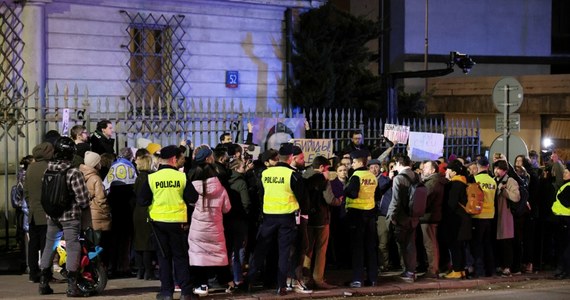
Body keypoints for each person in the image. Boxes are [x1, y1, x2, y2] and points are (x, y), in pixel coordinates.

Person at [247, 143, 305, 296]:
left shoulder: (265, 173)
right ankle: (281, 286)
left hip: (268, 216)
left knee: (260, 250)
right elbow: (302, 198)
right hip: (286, 217)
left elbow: (261, 193)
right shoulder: (293, 175)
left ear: (279, 157)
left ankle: (250, 281)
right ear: (291, 158)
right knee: (284, 252)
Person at [137, 145, 194, 300]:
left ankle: (166, 292)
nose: (183, 160)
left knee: (163, 258)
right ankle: (186, 293)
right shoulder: (181, 177)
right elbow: (193, 198)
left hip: (158, 224)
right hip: (178, 223)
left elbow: (142, 200)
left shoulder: (152, 178)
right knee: (180, 258)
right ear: (174, 159)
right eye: (181, 157)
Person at [38, 137, 90, 297]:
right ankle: (72, 286)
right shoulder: (73, 172)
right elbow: (82, 199)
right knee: (73, 246)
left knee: (50, 246)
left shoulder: (48, 170)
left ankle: (43, 283)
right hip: (70, 216)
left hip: (52, 216)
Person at [187, 145, 234, 296]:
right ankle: (227, 282)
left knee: (198, 255)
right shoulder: (220, 188)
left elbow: (189, 203)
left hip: (197, 228)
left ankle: (201, 285)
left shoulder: (192, 185)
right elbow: (227, 208)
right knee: (219, 254)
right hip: (215, 226)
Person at [302, 156, 342, 289]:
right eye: (327, 168)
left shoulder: (304, 177)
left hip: (306, 219)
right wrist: (339, 200)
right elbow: (330, 199)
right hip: (321, 219)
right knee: (320, 250)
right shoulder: (324, 180)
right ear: (321, 168)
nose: (328, 171)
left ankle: (304, 278)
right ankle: (318, 279)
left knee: (307, 249)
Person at [344, 150, 378, 287]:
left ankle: (358, 279)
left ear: (359, 162)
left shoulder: (356, 176)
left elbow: (352, 193)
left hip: (357, 215)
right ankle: (373, 278)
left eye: (353, 162)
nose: (352, 164)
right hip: (370, 214)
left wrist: (345, 190)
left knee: (358, 248)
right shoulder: (372, 176)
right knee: (370, 247)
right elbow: (378, 194)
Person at [23, 143, 53, 283]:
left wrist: (31, 205)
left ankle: (33, 273)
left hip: (33, 212)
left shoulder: (31, 167)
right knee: (46, 246)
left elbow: (26, 191)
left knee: (33, 245)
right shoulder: (49, 167)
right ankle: (45, 274)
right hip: (46, 213)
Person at [387, 154, 417, 283]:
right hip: (414, 215)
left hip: (402, 216)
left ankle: (408, 272)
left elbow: (396, 200)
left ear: (398, 164)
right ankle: (411, 271)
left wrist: (390, 215)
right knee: (411, 244)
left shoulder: (398, 178)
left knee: (403, 245)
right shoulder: (417, 176)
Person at [441, 160, 471, 279]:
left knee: (455, 245)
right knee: (461, 246)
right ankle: (462, 269)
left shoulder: (454, 184)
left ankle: (457, 270)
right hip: (465, 219)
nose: (446, 172)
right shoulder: (464, 182)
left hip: (456, 220)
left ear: (453, 172)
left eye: (447, 170)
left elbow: (451, 204)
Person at [226, 158, 251, 287]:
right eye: (242, 167)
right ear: (236, 168)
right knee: (239, 249)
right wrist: (245, 213)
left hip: (227, 218)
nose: (244, 169)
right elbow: (246, 202)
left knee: (228, 249)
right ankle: (238, 277)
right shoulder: (241, 182)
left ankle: (228, 277)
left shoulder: (225, 180)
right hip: (239, 219)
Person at [470, 157, 497, 277]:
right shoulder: (492, 181)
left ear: (478, 166)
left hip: (478, 215)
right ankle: (490, 270)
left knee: (477, 245)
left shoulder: (475, 179)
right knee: (488, 244)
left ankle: (479, 271)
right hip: (490, 215)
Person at [494, 160, 521, 277]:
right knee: (498, 242)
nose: (496, 171)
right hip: (496, 215)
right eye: (495, 168)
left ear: (504, 170)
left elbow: (516, 197)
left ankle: (507, 267)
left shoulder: (510, 181)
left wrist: (503, 190)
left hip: (506, 214)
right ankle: (500, 265)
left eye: (498, 168)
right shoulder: (494, 180)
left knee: (506, 242)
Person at [79, 151, 111, 248]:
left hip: (86, 214)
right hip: (98, 215)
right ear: (95, 164)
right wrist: (107, 212)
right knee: (98, 245)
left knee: (89, 244)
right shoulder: (96, 178)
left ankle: (90, 262)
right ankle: (97, 263)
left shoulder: (80, 175)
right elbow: (101, 199)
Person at [132, 154, 157, 280]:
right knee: (147, 244)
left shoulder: (138, 178)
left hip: (137, 212)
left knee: (139, 242)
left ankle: (140, 270)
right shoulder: (149, 178)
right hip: (147, 211)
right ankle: (148, 271)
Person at [419, 160, 445, 279]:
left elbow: (425, 199)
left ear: (433, 170)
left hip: (428, 217)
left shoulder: (432, 182)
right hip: (431, 216)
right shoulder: (437, 181)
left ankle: (432, 269)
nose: (423, 169)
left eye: (426, 167)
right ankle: (433, 268)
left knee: (430, 244)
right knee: (432, 243)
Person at [552, 168, 570, 279]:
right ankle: (563, 269)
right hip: (562, 219)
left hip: (566, 219)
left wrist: (559, 197)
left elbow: (565, 201)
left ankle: (564, 269)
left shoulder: (568, 186)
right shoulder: (565, 185)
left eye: (567, 172)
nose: (564, 173)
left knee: (565, 247)